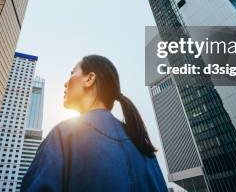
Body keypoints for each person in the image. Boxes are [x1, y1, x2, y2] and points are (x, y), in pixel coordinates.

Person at [21, 55, 168, 192]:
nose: (66, 83)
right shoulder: (143, 146)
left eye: (72, 73)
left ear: (89, 79)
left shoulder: (63, 135)